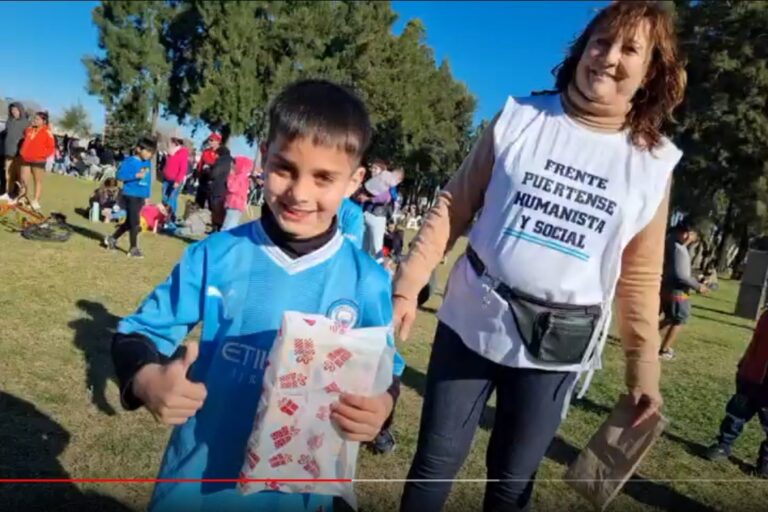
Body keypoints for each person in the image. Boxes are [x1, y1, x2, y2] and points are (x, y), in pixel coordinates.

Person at [393, 3, 688, 511]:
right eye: (601, 42)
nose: (609, 57)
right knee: (433, 466)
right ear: (581, 49)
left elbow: (640, 276)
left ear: (651, 71)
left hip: (557, 350)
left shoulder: (653, 163)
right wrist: (408, 284)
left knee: (511, 485)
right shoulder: (520, 117)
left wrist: (643, 368)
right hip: (470, 321)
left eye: (629, 49)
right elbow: (454, 204)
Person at [110, 79, 404, 511]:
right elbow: (138, 333)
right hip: (195, 491)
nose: (299, 193)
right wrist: (146, 379)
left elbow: (386, 369)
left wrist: (382, 406)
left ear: (354, 182)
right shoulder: (214, 255)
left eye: (324, 177)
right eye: (285, 168)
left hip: (304, 499)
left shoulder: (368, 282)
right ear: (263, 157)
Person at [704, 310, 768, 477]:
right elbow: (756, 342)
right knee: (736, 414)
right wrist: (744, 364)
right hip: (752, 378)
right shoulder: (766, 315)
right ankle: (723, 445)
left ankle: (765, 464)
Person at [658, 221, 709, 360]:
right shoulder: (678, 248)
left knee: (670, 318)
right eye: (691, 236)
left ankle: (644, 338)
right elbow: (681, 275)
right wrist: (698, 286)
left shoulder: (669, 242)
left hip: (666, 287)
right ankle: (664, 350)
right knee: (680, 319)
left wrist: (696, 277)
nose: (690, 239)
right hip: (677, 291)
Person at [104, 137, 157, 258]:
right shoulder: (129, 161)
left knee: (129, 223)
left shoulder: (147, 163)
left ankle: (112, 238)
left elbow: (147, 180)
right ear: (138, 149)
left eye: (151, 153)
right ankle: (133, 249)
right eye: (147, 151)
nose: (149, 155)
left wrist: (147, 196)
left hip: (140, 196)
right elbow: (119, 176)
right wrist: (135, 175)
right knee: (135, 223)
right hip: (130, 194)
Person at [17, 111, 55, 210]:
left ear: (44, 121)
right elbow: (24, 132)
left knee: (37, 181)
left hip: (38, 160)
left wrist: (42, 155)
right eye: (34, 118)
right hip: (25, 158)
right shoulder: (30, 129)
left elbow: (51, 147)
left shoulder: (47, 132)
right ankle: (22, 198)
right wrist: (22, 152)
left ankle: (35, 200)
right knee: (24, 179)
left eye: (37, 119)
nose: (35, 120)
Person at [0, 102, 29, 201]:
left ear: (20, 110)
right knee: (8, 174)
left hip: (19, 154)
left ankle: (21, 196)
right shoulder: (9, 121)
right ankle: (8, 193)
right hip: (8, 152)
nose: (13, 112)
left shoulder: (26, 123)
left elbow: (29, 138)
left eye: (15, 110)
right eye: (12, 110)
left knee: (20, 176)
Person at [221, 156, 253, 231]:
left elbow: (232, 188)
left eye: (235, 163)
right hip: (237, 204)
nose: (233, 165)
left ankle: (223, 241)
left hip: (234, 204)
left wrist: (230, 176)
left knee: (227, 227)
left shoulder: (239, 177)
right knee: (230, 226)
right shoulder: (244, 177)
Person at [161, 136, 189, 221]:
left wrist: (177, 181)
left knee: (172, 198)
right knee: (164, 197)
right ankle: (163, 214)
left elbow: (183, 169)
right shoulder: (171, 153)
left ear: (175, 143)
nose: (169, 145)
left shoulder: (182, 153)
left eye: (171, 143)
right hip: (166, 178)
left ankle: (172, 216)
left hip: (175, 180)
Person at [208, 145, 234, 232]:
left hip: (218, 187)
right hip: (227, 189)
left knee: (215, 209)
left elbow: (214, 174)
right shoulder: (233, 162)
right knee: (222, 211)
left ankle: (215, 227)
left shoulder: (221, 161)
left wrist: (209, 170)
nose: (215, 156)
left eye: (216, 154)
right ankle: (219, 227)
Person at [194, 133, 221, 208]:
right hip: (203, 180)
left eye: (212, 140)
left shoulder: (220, 154)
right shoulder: (206, 152)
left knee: (210, 205)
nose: (210, 142)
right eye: (209, 140)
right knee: (198, 202)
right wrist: (198, 174)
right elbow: (200, 164)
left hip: (213, 182)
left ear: (218, 141)